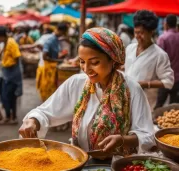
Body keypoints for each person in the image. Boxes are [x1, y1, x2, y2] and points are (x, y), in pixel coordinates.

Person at [19, 28, 155, 159]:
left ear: (113, 60)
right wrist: (33, 121)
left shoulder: (131, 89)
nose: (86, 69)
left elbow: (147, 135)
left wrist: (123, 140)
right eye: (82, 62)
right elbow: (45, 112)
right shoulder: (76, 84)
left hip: (118, 164)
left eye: (95, 62)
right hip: (81, 160)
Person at [124, 10, 174, 109]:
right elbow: (129, 67)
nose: (138, 36)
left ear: (151, 32)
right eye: (136, 32)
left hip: (145, 104)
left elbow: (169, 82)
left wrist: (146, 84)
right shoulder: (130, 48)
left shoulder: (159, 55)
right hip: (126, 100)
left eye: (142, 33)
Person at [155, 14, 179, 108]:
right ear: (176, 24)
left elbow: (158, 59)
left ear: (166, 24)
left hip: (164, 78)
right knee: (175, 107)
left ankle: (155, 122)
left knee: (159, 105)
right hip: (178, 79)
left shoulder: (162, 38)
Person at [0, 26, 23, 124]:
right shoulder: (5, 43)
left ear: (0, 36)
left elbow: (17, 57)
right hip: (7, 74)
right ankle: (11, 117)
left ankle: (11, 117)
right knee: (8, 96)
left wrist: (8, 65)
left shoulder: (11, 43)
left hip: (12, 74)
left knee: (8, 96)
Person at [36, 23, 68, 101]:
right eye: (63, 33)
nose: (63, 35)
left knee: (52, 90)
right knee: (48, 90)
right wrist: (59, 60)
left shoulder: (56, 39)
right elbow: (45, 57)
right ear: (61, 31)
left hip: (52, 68)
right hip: (48, 69)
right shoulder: (50, 40)